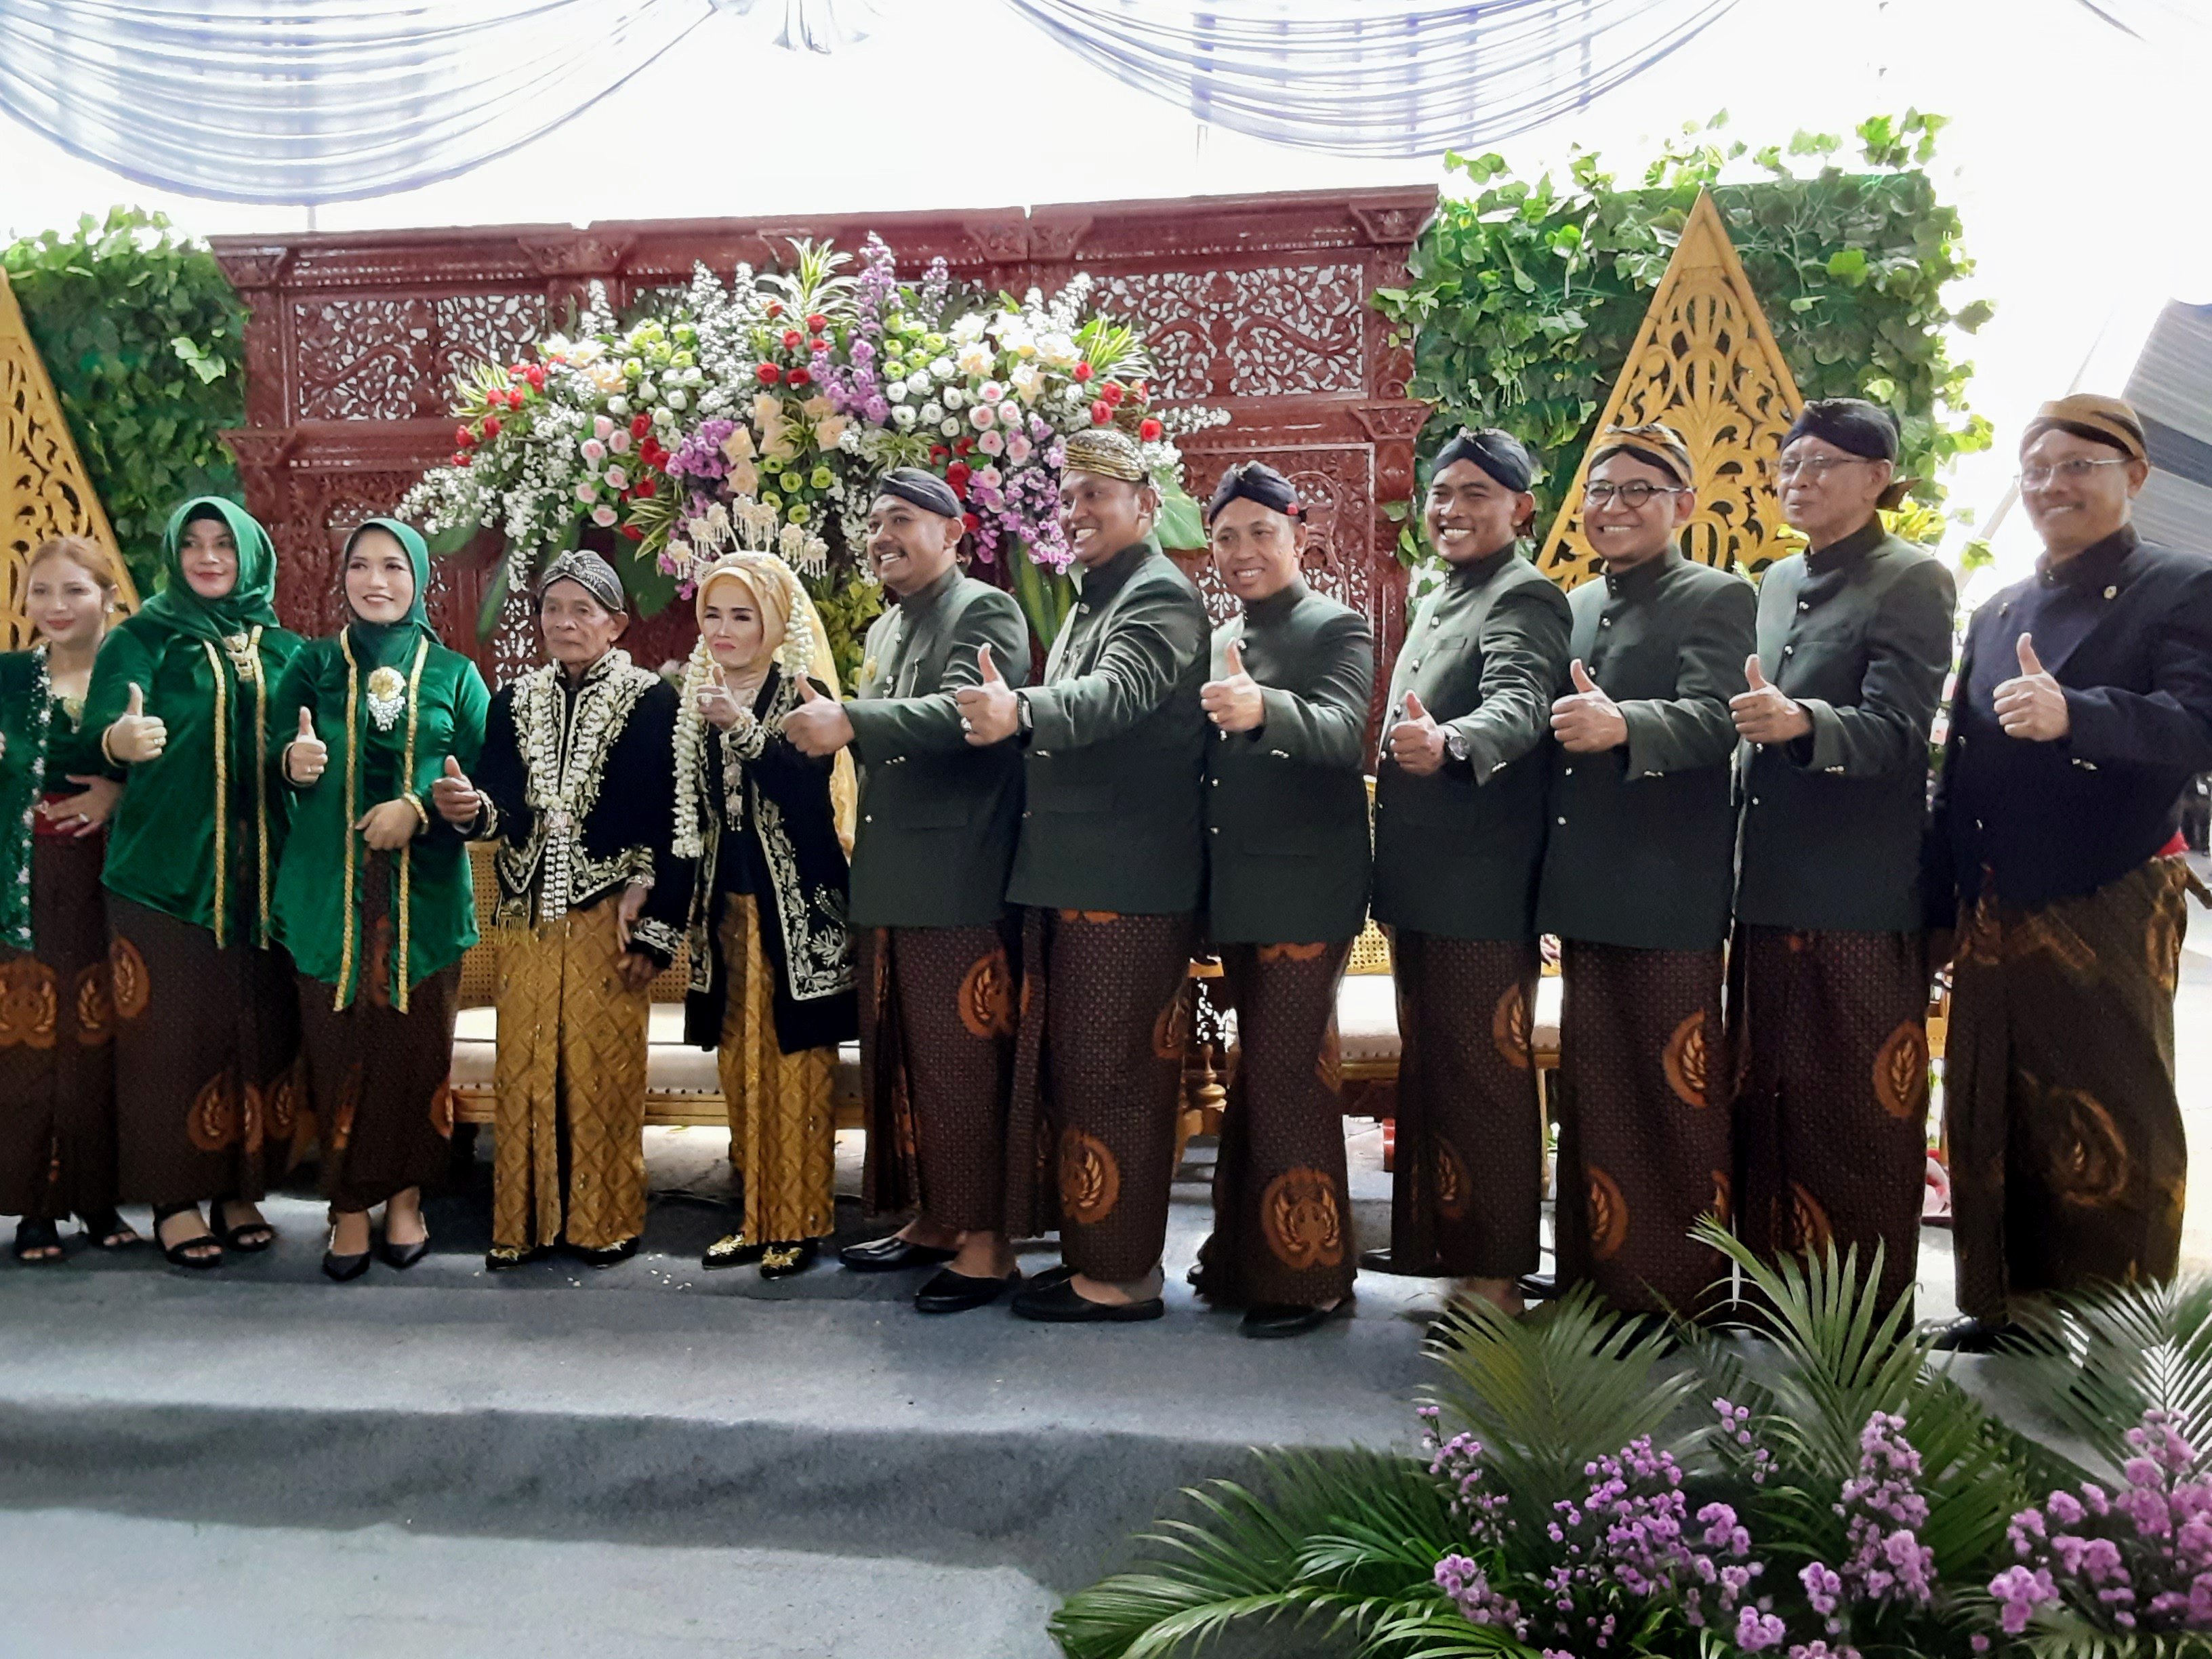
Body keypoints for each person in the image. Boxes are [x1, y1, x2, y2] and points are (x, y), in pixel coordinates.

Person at [1928, 394, 2212, 1351]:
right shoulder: (2002, 604)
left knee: (2111, 1113)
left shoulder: (2181, 586)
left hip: (2108, 887)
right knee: (1991, 1102)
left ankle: (2121, 1330)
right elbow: (1960, 764)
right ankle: (2012, 1309)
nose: (2054, 485)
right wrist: (1940, 898)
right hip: (1996, 894)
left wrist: (2076, 714)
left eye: (2079, 466)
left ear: (2135, 476)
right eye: (2037, 468)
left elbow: (2195, 726)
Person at [956, 427, 1209, 1323]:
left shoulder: (1160, 596)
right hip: (1077, 879)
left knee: (1116, 1082)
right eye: (1069, 497)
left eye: (1096, 494)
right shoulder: (1093, 599)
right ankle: (1094, 1254)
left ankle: (1124, 1277)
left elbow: (1117, 698)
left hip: (1129, 885)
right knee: (1080, 1078)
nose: (1078, 511)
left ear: (1147, 504)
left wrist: (1017, 707)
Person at [1727, 398, 1955, 1317]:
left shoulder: (1911, 579)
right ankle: (1769, 1292)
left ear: (1878, 477)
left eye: (1823, 463)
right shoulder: (1777, 581)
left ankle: (1856, 1317)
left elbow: (1901, 733)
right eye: (1789, 463)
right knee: (1766, 1097)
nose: (1800, 479)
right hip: (1768, 886)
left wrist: (1801, 724)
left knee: (1854, 1111)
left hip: (1860, 894)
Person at [784, 470, 1031, 1313]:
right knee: (907, 1067)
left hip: (961, 886)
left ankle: (991, 1245)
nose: (882, 536)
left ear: (954, 534)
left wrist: (852, 720)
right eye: (875, 523)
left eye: (902, 521)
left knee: (966, 1069)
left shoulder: (985, 611)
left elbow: (963, 714)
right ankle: (936, 1217)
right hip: (890, 884)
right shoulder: (888, 628)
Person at [1534, 425, 1755, 1321]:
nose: (1614, 506)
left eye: (1639, 490)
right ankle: (1595, 1277)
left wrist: (1625, 724)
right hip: (1592, 887)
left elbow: (1718, 719)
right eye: (1601, 491)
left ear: (1684, 506)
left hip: (1669, 888)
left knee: (1672, 1093)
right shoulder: (1579, 604)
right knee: (1594, 1092)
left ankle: (1676, 1294)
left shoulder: (1716, 595)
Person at [430, 550, 685, 1271]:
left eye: (583, 610)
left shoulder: (651, 700)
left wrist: (658, 929)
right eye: (552, 609)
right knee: (528, 1067)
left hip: (611, 919)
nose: (565, 623)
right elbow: (502, 805)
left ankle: (602, 1222)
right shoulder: (516, 700)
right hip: (526, 920)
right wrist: (472, 807)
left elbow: (675, 819)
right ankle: (526, 1223)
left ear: (615, 623)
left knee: (602, 1073)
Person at [1368, 428, 1572, 1315]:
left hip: (1481, 890)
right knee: (1443, 1071)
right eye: (1442, 493)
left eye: (1476, 495)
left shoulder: (1524, 595)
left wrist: (1453, 742)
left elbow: (1523, 702)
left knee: (1484, 1082)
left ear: (1520, 508)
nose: (1451, 510)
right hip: (1426, 884)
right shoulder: (1442, 593)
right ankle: (1454, 1254)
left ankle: (1493, 1282)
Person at [83, 498, 306, 1269]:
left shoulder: (285, 650)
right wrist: (121, 736)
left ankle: (240, 1189)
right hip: (165, 882)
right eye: (193, 545)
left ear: (250, 554)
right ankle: (176, 1201)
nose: (209, 557)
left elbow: (308, 745)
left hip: (266, 887)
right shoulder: (143, 638)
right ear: (174, 555)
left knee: (258, 1033)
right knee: (171, 1042)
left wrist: (304, 763)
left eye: (224, 545)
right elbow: (104, 722)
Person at [271, 518, 491, 1281]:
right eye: (361, 566)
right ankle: (346, 1210)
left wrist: (423, 811)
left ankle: (404, 1200)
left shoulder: (456, 676)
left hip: (421, 900)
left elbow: (485, 788)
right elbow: (272, 758)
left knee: (412, 1053)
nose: (376, 581)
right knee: (335, 1053)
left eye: (393, 566)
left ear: (418, 577)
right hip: (325, 895)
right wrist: (296, 765)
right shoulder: (309, 666)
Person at [1185, 462, 1374, 1338]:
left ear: (1301, 533)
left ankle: (1311, 1277)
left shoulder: (1339, 626)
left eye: (1262, 530)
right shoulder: (1218, 632)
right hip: (1240, 894)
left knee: (1289, 1077)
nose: (1243, 549)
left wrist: (1264, 707)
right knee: (1252, 1078)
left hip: (1307, 891)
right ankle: (1244, 1255)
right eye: (1226, 536)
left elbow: (1341, 732)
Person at [675, 551, 857, 1280]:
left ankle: (800, 1220)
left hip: (797, 918)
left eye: (742, 615)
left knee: (795, 1067)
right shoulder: (696, 699)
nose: (725, 630)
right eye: (713, 614)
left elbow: (804, 793)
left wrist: (746, 731)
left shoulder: (801, 694)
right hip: (726, 917)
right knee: (739, 1065)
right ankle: (755, 1217)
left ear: (776, 624)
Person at [0, 537, 131, 1263]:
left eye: (74, 591)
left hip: (120, 883)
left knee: (105, 1043)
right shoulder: (8, 679)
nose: (56, 607)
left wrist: (119, 788)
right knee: (31, 1046)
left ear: (107, 597)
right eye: (41, 591)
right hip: (25, 882)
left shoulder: (133, 674)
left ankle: (100, 1199)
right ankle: (35, 1209)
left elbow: (185, 768)